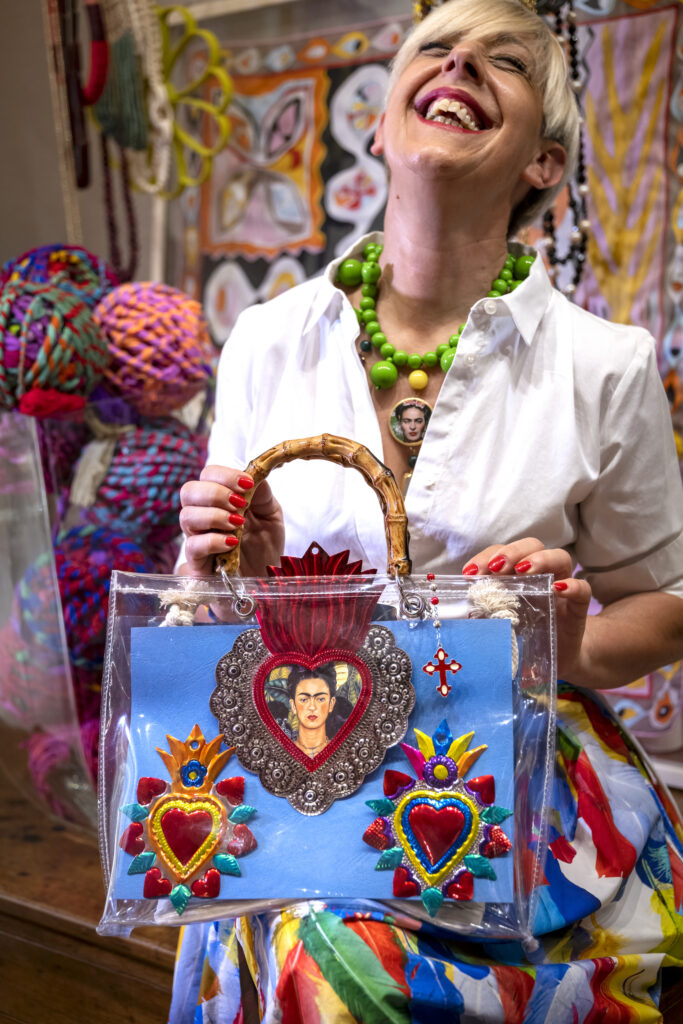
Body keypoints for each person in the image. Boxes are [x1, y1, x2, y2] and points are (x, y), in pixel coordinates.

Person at [173, 0, 683, 1019]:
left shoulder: (604, 365)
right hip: (305, 758)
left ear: (542, 161)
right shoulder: (267, 338)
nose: (459, 63)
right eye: (436, 48)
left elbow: (665, 605)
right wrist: (226, 568)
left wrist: (569, 645)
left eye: (504, 61)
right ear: (378, 126)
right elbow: (216, 613)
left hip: (517, 783)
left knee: (343, 965)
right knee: (320, 947)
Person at [285, 665, 337, 756]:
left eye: (320, 699)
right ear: (293, 705)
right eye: (304, 700)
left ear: (331, 704)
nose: (312, 707)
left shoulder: (340, 751)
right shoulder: (284, 752)